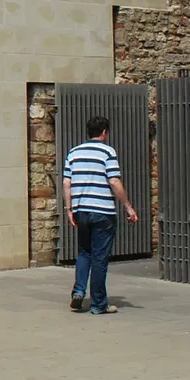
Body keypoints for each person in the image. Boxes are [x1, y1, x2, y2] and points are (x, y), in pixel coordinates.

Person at [64, 115, 139, 315]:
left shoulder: (74, 152)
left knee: (84, 252)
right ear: (104, 132)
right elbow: (114, 181)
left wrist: (69, 209)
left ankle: (79, 291)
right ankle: (98, 304)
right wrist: (128, 206)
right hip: (103, 211)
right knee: (99, 258)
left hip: (81, 211)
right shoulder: (107, 151)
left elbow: (66, 183)